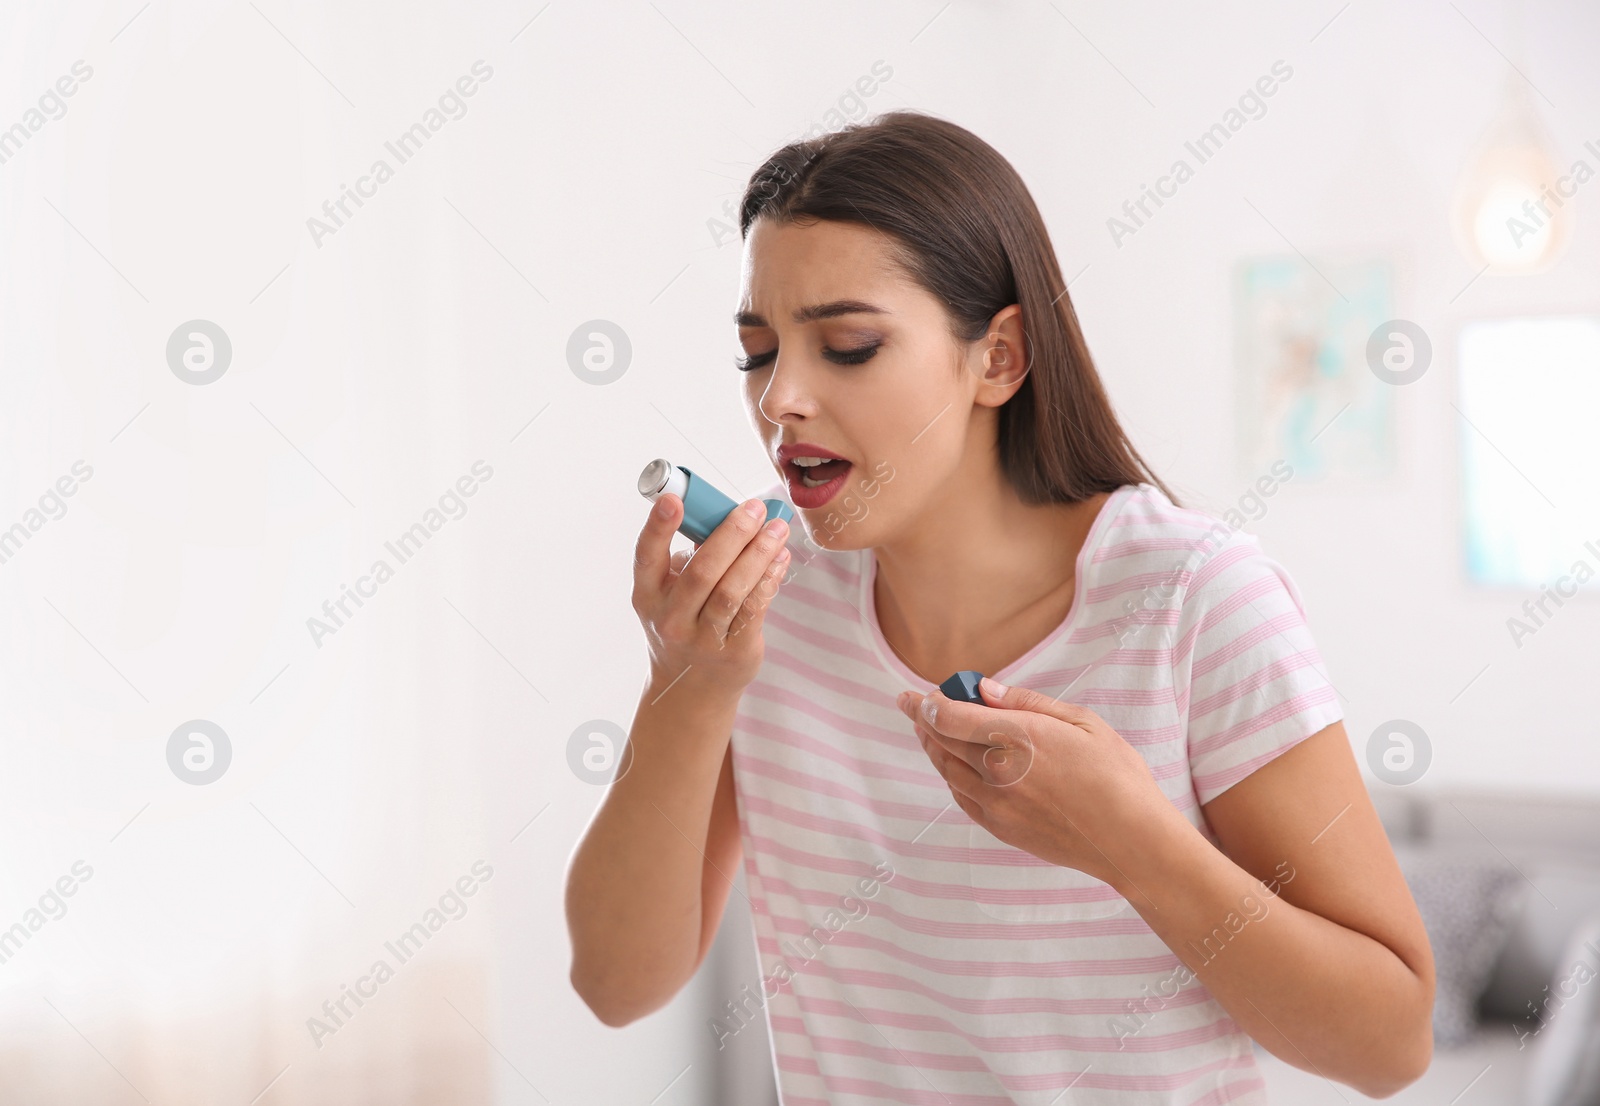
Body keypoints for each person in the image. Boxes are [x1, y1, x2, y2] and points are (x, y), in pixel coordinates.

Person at [566, 109, 1434, 1104]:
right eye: (756, 352)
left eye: (846, 346)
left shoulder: (1194, 599)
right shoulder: (769, 604)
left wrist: (1132, 843)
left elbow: (1389, 1044)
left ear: (1000, 358)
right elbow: (615, 982)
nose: (780, 399)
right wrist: (685, 689)